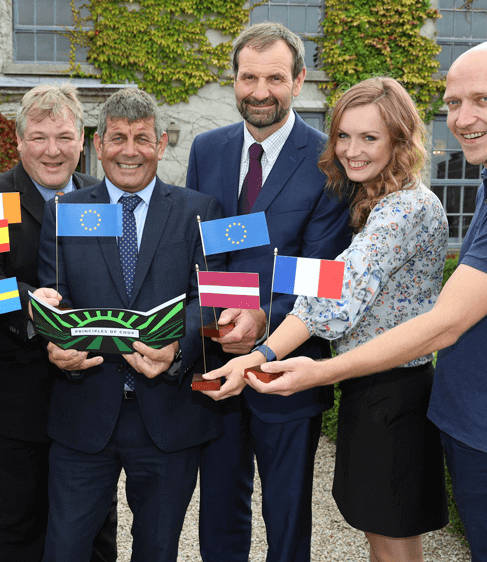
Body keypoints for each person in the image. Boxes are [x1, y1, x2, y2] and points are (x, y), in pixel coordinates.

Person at [261, 41, 487, 562]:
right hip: (462, 416)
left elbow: (390, 305)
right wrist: (266, 282)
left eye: (483, 99)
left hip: (479, 423)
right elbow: (337, 278)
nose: (463, 117)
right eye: (454, 102)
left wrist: (278, 354)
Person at [205, 76, 450, 562]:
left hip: (393, 394)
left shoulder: (404, 209)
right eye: (344, 136)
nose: (351, 151)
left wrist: (261, 350)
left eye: (370, 138)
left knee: (392, 536)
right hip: (371, 388)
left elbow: (334, 294)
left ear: (400, 139)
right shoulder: (374, 198)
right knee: (382, 532)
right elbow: (218, 247)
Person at [184, 22, 351, 562]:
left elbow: (322, 270)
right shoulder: (207, 150)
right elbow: (202, 251)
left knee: (287, 518)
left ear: (298, 81)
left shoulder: (329, 159)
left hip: (288, 368)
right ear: (232, 80)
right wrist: (216, 322)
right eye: (248, 77)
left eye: (274, 77)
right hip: (215, 361)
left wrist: (263, 316)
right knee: (219, 514)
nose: (260, 91)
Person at [34, 87, 224, 561]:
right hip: (84, 414)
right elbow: (53, 293)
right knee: (64, 550)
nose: (130, 150)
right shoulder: (67, 210)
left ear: (161, 144)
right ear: (98, 146)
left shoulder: (199, 211)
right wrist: (53, 340)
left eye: (142, 138)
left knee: (157, 551)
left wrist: (177, 347)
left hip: (167, 418)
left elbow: (212, 301)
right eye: (117, 138)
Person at [0, 83, 117, 561]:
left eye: (64, 137)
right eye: (39, 137)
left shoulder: (106, 199)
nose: (53, 150)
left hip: (92, 394)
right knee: (17, 526)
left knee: (94, 529)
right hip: (13, 397)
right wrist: (29, 301)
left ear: (82, 138)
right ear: (18, 140)